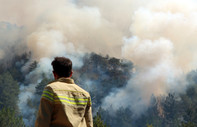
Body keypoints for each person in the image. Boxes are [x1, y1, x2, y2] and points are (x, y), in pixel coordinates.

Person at [35, 57, 93, 127]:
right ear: (71, 73)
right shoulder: (85, 94)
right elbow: (89, 123)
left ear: (54, 73)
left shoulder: (51, 89)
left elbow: (43, 122)